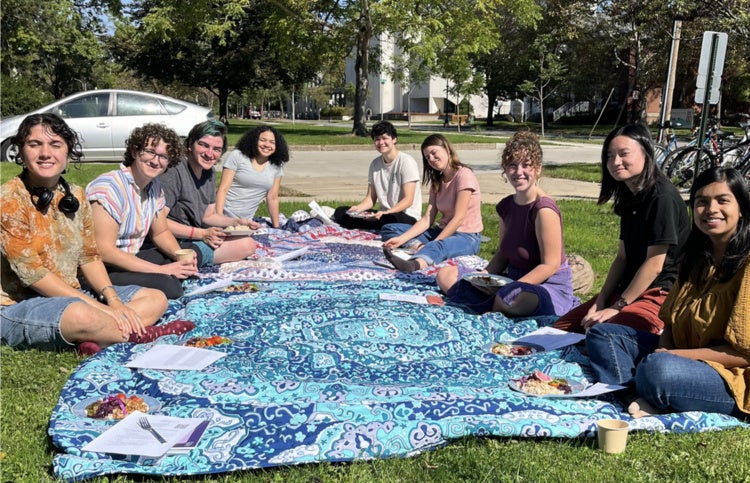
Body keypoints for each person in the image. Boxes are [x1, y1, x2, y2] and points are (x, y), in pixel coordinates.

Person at [0, 114, 193, 356]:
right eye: (34, 144)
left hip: (72, 292)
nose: (45, 153)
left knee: (156, 298)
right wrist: (104, 309)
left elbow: (90, 256)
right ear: (21, 150)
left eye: (55, 144)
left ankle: (99, 337)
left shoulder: (75, 195)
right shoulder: (8, 200)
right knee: (83, 315)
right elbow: (34, 276)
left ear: (68, 152)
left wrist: (112, 299)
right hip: (17, 305)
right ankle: (141, 334)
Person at [586, 167, 750, 419]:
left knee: (658, 370)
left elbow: (741, 354)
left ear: (741, 209)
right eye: (701, 202)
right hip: (680, 357)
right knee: (603, 334)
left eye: (723, 200)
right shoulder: (695, 257)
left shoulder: (747, 265)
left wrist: (671, 356)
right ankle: (637, 395)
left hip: (731, 377)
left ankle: (649, 390)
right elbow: (669, 322)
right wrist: (665, 350)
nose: (711, 209)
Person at [553, 123, 690, 334]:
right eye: (609, 156)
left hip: (658, 292)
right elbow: (622, 258)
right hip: (626, 289)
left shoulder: (662, 197)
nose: (615, 162)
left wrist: (617, 307)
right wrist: (602, 300)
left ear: (646, 153)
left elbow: (655, 265)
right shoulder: (630, 195)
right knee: (560, 330)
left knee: (601, 336)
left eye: (623, 154)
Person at [435, 131, 578, 316]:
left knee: (518, 301)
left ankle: (493, 303)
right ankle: (495, 303)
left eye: (526, 165)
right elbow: (503, 253)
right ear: (505, 169)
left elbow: (550, 265)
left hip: (544, 284)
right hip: (510, 279)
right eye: (512, 165)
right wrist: (484, 276)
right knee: (445, 274)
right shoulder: (506, 206)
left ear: (538, 168)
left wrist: (513, 287)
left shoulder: (544, 209)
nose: (519, 172)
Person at [86, 123, 201, 299]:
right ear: (134, 151)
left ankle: (168, 273)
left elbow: (161, 232)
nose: (156, 161)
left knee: (190, 251)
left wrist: (180, 256)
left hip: (132, 256)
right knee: (169, 286)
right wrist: (161, 271)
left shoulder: (154, 187)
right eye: (150, 152)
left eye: (163, 156)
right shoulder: (109, 188)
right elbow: (104, 251)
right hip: (103, 267)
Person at [160, 120, 258, 267]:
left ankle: (192, 259)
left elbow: (208, 216)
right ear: (190, 144)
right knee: (246, 246)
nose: (209, 154)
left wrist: (236, 222)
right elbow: (158, 223)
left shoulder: (209, 172)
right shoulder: (174, 171)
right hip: (172, 240)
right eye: (204, 145)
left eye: (217, 149)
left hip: (195, 236)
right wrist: (201, 234)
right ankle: (185, 261)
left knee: (248, 242)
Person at [381, 134, 483, 273]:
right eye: (427, 157)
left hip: (465, 236)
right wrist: (401, 240)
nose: (432, 159)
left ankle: (414, 264)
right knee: (391, 229)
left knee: (439, 246)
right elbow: (428, 218)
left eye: (434, 153)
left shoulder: (464, 175)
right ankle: (421, 247)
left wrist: (436, 242)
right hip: (441, 231)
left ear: (447, 149)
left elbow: (458, 218)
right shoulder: (437, 181)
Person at [332, 121, 422, 230]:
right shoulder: (375, 164)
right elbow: (371, 198)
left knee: (389, 221)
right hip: (382, 214)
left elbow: (408, 200)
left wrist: (387, 213)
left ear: (394, 139)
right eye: (377, 139)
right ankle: (370, 223)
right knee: (341, 212)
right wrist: (358, 209)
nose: (381, 142)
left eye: (384, 138)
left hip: (404, 215)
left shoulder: (406, 161)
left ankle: (375, 225)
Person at [215, 125, 290, 228]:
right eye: (263, 140)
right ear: (254, 141)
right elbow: (223, 189)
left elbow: (272, 197)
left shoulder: (276, 165)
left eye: (272, 142)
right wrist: (219, 220)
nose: (267, 145)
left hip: (246, 222)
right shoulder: (237, 156)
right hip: (224, 215)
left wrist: (276, 228)